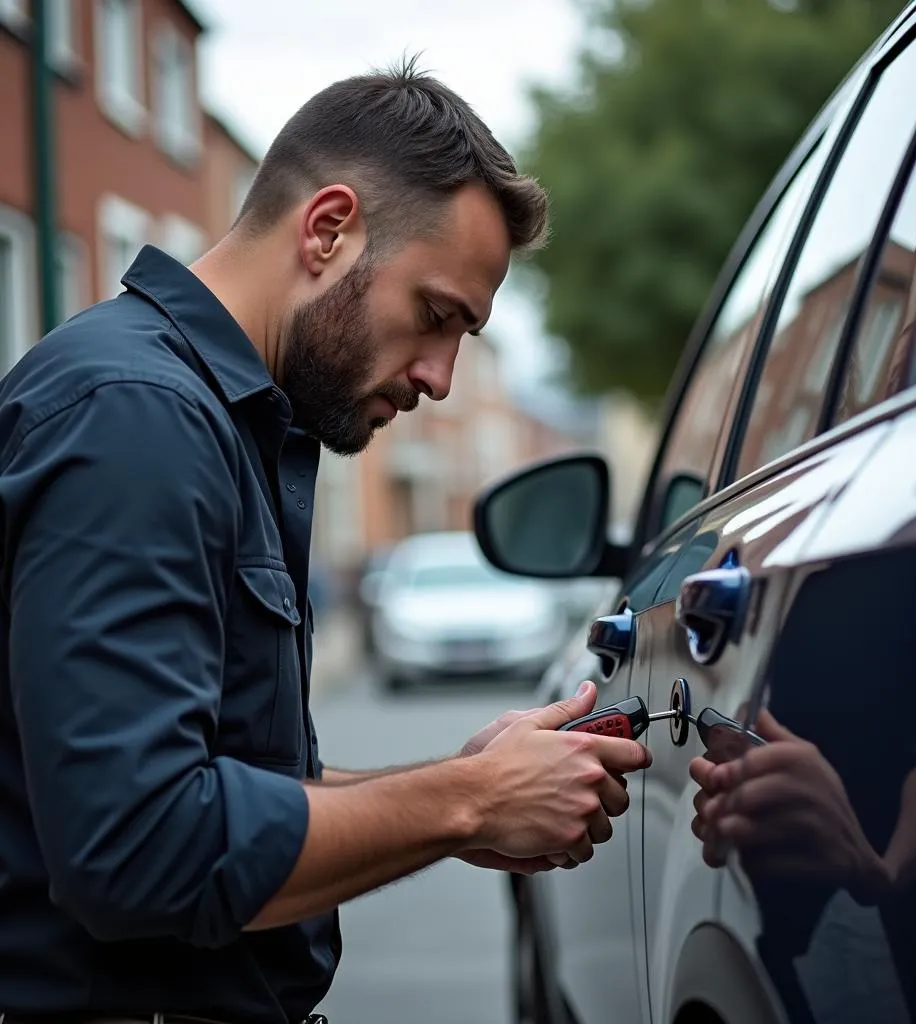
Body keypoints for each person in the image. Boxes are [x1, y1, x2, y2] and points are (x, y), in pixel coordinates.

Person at [0, 62, 652, 1024]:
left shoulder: (218, 422)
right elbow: (137, 848)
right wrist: (465, 802)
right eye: (436, 315)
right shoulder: (137, 419)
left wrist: (459, 790)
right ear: (329, 230)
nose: (439, 376)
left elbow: (225, 785)